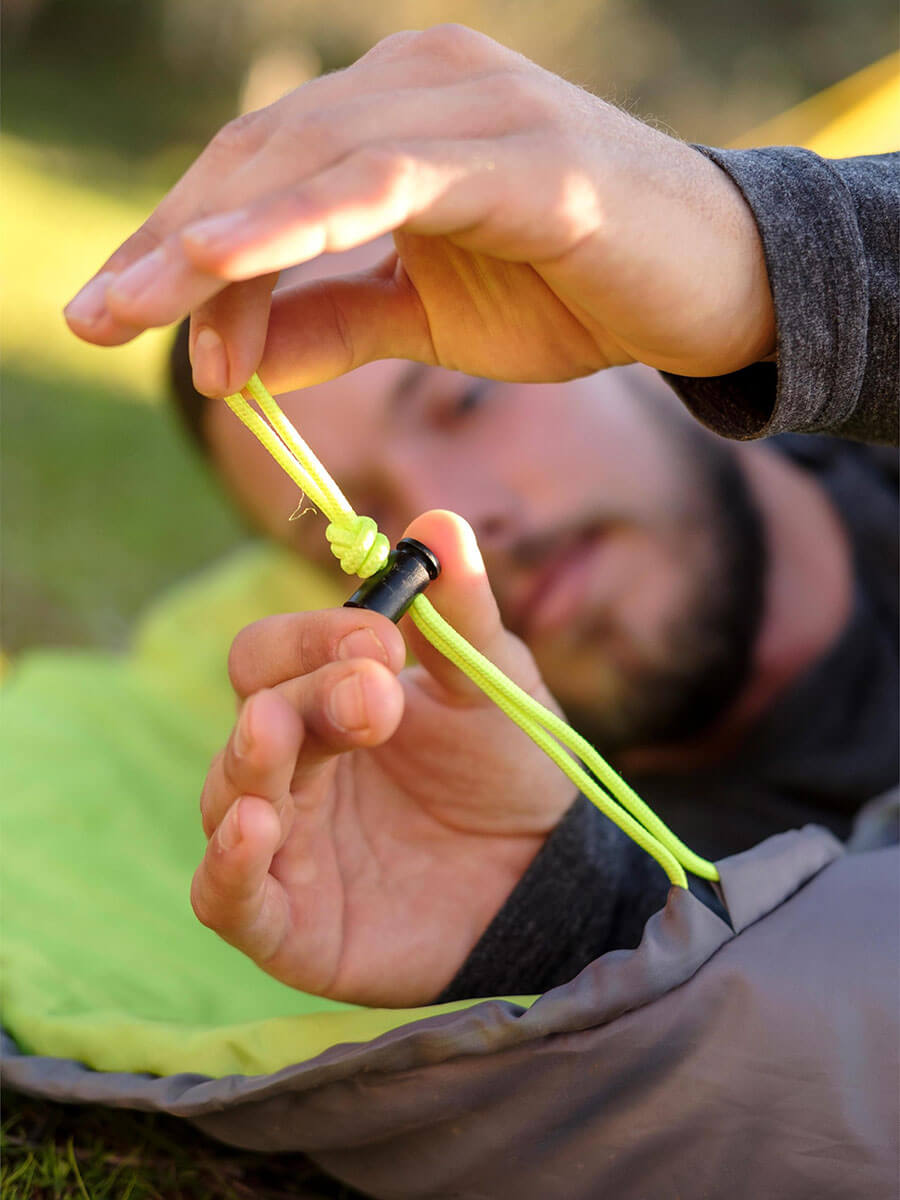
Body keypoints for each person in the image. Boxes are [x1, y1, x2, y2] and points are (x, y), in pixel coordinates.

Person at [64, 25, 898, 1008]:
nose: (454, 523)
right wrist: (567, 924)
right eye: (361, 514)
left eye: (465, 400)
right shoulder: (629, 897)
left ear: (611, 317)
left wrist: (779, 267)